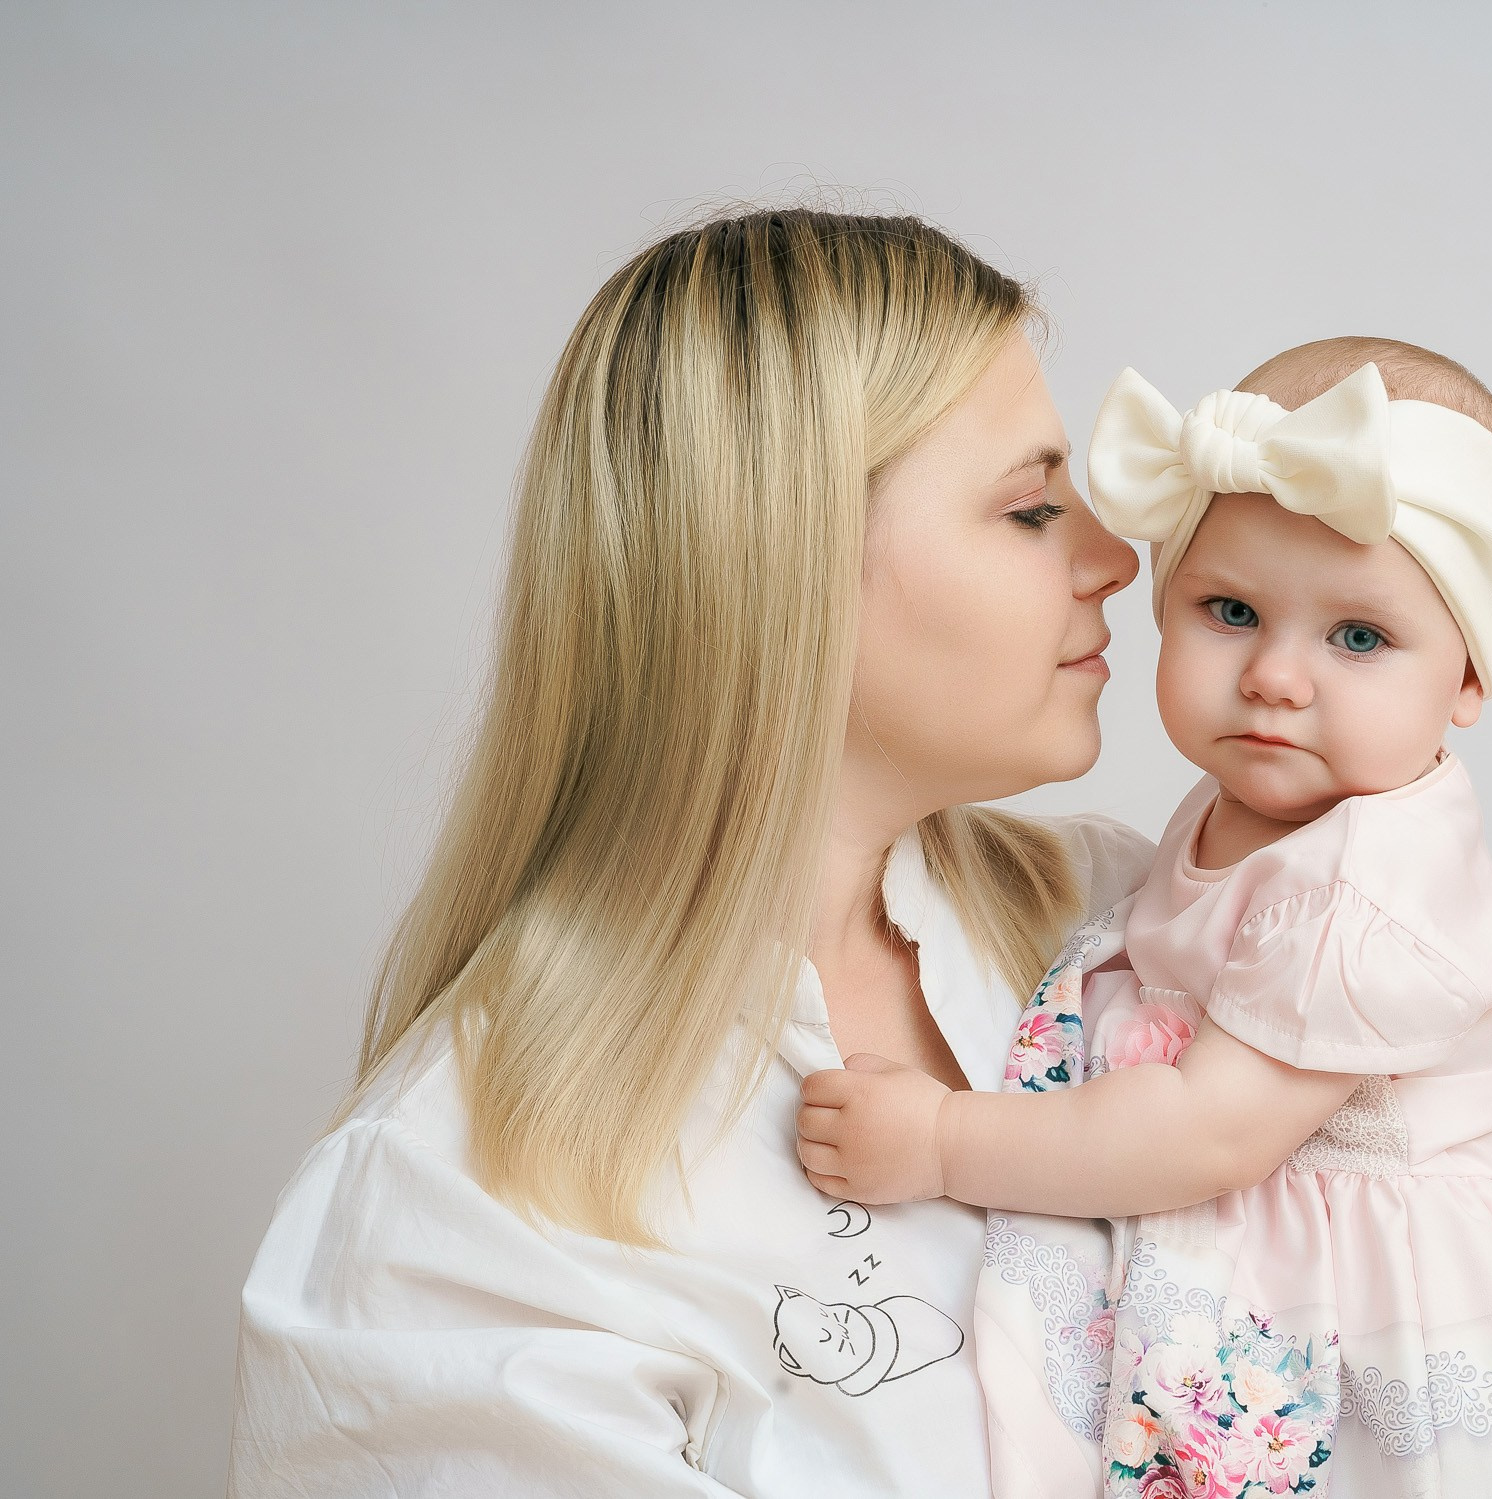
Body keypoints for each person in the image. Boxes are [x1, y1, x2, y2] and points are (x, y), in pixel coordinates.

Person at [228, 207, 1152, 1496]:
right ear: (787, 559)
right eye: (1032, 508)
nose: (1116, 559)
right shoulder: (459, 1214)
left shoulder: (1138, 923)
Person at [797, 338, 1492, 1496]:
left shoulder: (1367, 883)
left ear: (1468, 678)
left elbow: (1203, 1131)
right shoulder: (1267, 798)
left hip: (1415, 1321)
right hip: (1298, 1256)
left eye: (1357, 637)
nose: (1278, 677)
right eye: (1230, 609)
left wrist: (940, 1141)